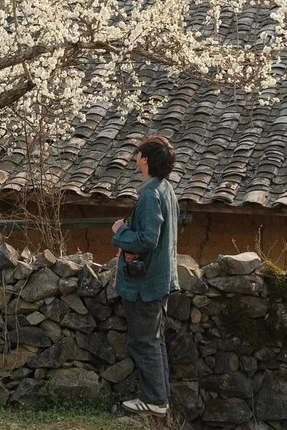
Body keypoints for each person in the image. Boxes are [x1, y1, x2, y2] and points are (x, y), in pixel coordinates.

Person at [111, 134, 179, 417]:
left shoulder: (150, 195)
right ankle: (160, 398)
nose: (136, 156)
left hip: (145, 283)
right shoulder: (166, 189)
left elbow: (148, 239)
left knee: (143, 340)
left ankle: (154, 400)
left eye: (139, 152)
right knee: (155, 339)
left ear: (146, 159)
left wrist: (120, 231)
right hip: (159, 279)